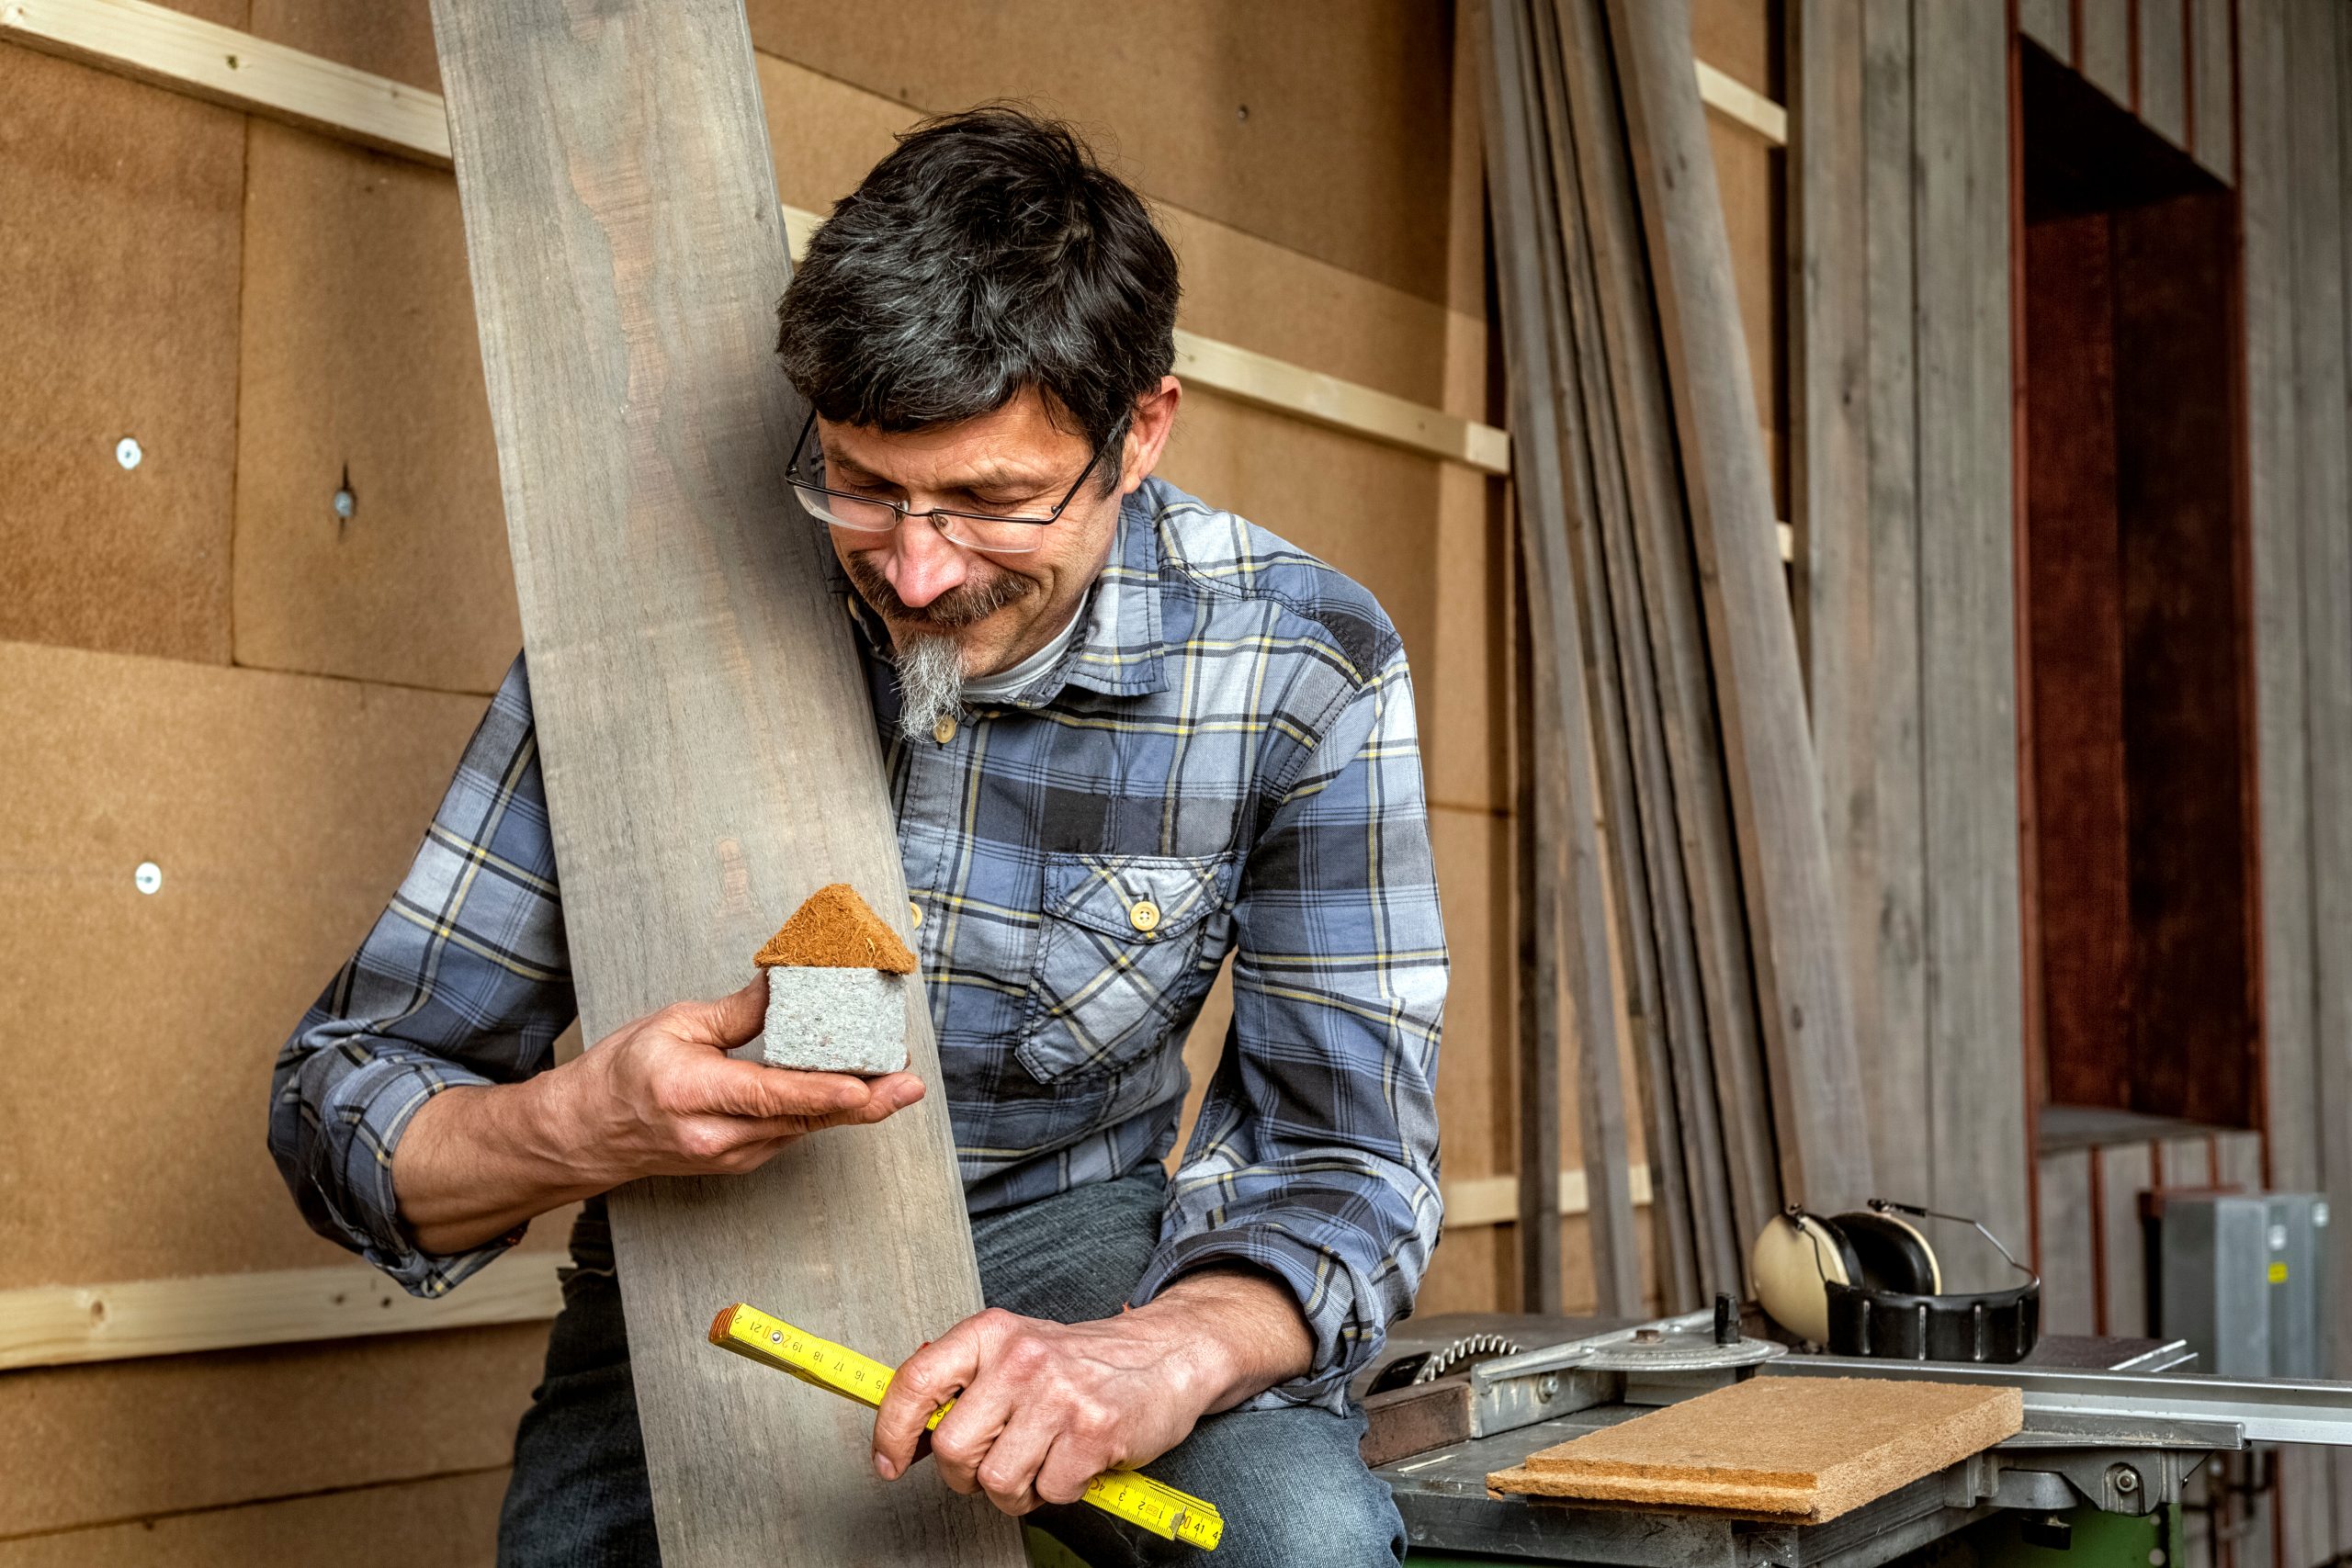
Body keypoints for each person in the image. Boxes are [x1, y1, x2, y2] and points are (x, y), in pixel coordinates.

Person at [270, 106, 1445, 1568]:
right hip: (705, 1243)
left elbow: (1349, 1155)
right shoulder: (637, 643)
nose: (915, 566)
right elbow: (340, 1101)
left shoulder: (1298, 660)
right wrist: (580, 1126)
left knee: (1302, 1548)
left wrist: (1164, 1355)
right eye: (864, 486)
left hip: (1085, 1246)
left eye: (990, 502)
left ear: (1140, 430)